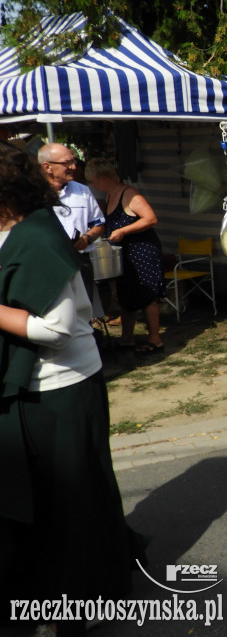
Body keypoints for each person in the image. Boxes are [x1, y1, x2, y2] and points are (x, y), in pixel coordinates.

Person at [0, 149, 142, 633]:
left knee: (75, 499)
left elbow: (56, 328)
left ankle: (85, 598)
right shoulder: (15, 232)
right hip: (27, 385)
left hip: (63, 386)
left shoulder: (38, 237)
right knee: (46, 498)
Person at [84, 158, 165, 353]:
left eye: (93, 181)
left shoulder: (129, 194)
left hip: (142, 250)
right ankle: (126, 338)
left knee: (147, 295)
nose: (92, 185)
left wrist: (124, 231)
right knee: (126, 295)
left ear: (104, 178)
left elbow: (151, 218)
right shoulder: (109, 197)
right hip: (124, 253)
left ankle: (155, 339)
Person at [38, 142, 105, 301]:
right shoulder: (31, 194)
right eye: (67, 163)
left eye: (73, 162)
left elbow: (99, 223)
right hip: (45, 263)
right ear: (47, 167)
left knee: (82, 316)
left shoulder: (82, 190)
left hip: (79, 262)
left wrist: (87, 238)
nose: (74, 167)